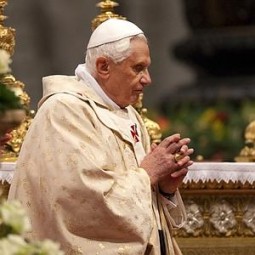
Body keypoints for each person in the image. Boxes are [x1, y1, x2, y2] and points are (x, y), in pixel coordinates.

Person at [8, 18, 194, 255]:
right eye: (138, 68)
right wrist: (147, 174)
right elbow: (81, 203)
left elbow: (141, 201)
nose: (148, 79)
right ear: (104, 66)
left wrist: (164, 188)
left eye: (147, 68)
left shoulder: (129, 115)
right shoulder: (65, 111)